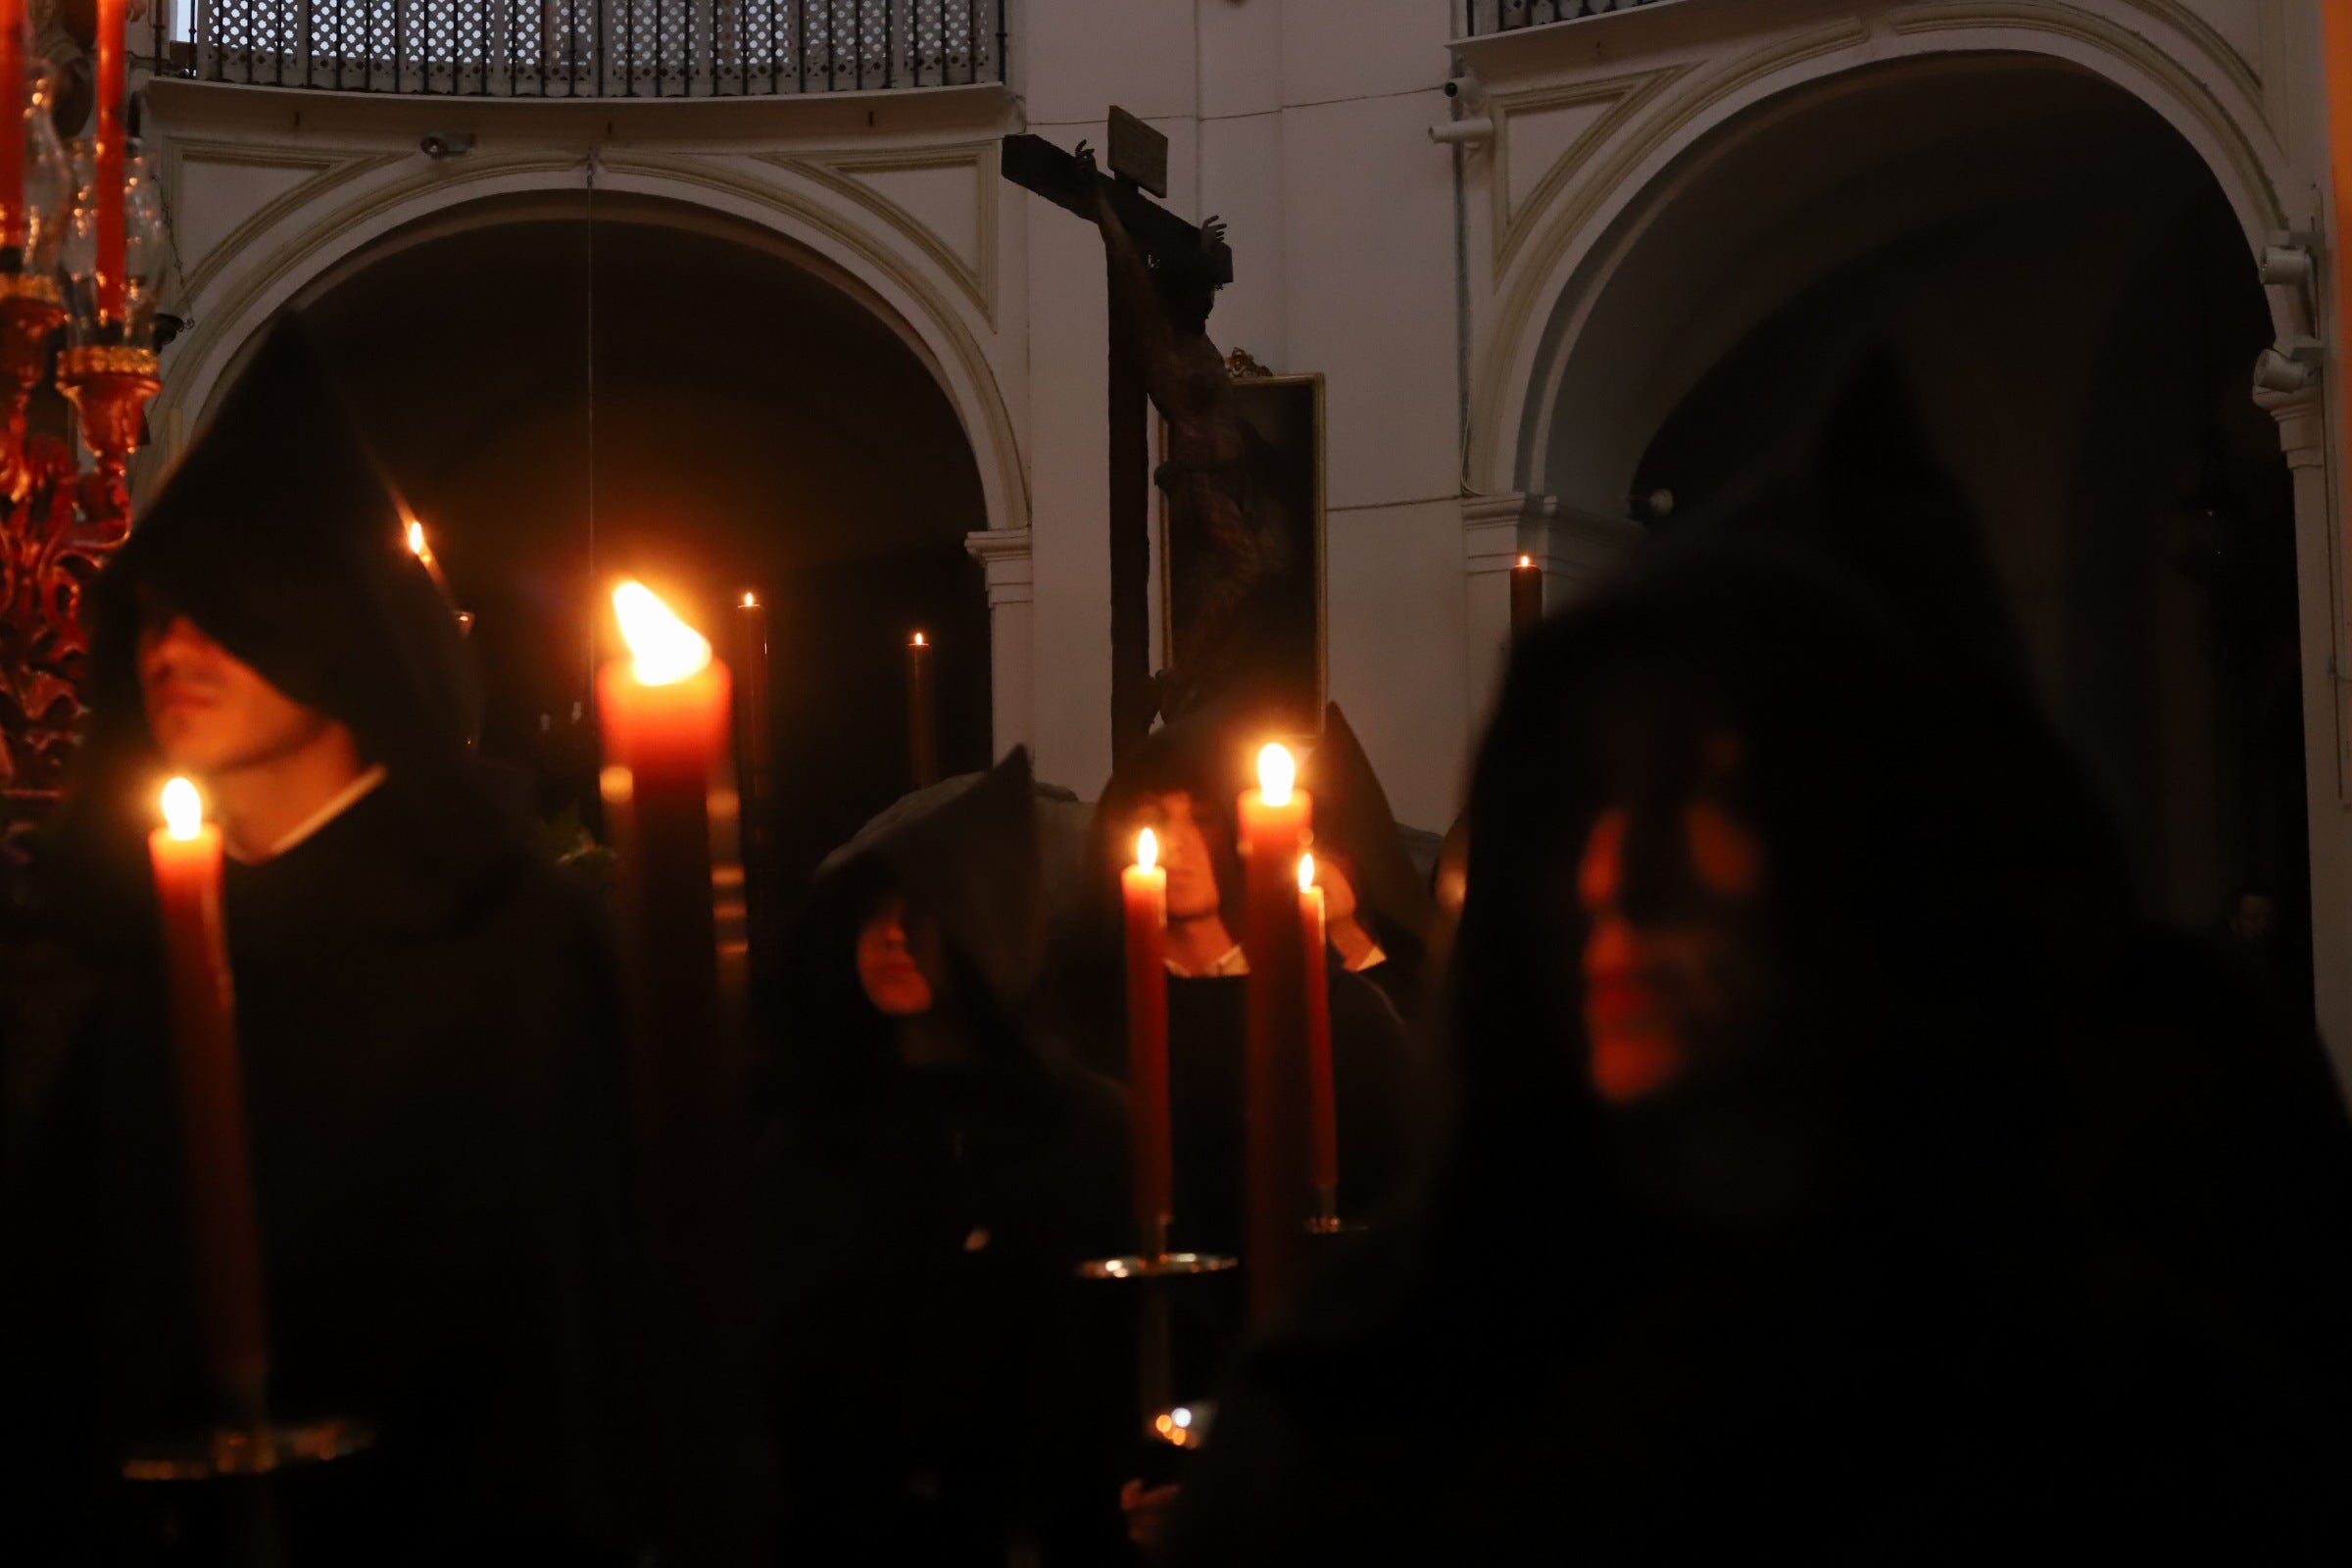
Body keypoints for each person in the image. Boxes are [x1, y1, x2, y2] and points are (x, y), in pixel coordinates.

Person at [1169, 370, 2352, 1562]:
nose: (1617, 881)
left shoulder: (2138, 1314)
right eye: (1585, 804)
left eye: (1712, 792)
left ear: (1889, 831)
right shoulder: (1407, 1370)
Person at [0, 316, 646, 1565]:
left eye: (226, 613)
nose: (173, 648)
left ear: (334, 628)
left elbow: (559, 1326)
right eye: (159, 617)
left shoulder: (498, 930)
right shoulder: (105, 941)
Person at [760, 750, 1136, 1565]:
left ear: (980, 923)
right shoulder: (819, 1129)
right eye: (873, 911)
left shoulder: (1079, 1128)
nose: (891, 933)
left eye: (922, 911)